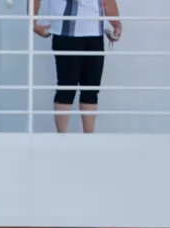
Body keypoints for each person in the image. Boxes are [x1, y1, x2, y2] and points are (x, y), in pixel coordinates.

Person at [34, 0, 122, 133]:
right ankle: (62, 138)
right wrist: (33, 22)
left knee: (91, 89)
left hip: (95, 33)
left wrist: (116, 23)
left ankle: (89, 137)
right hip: (66, 33)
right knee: (67, 87)